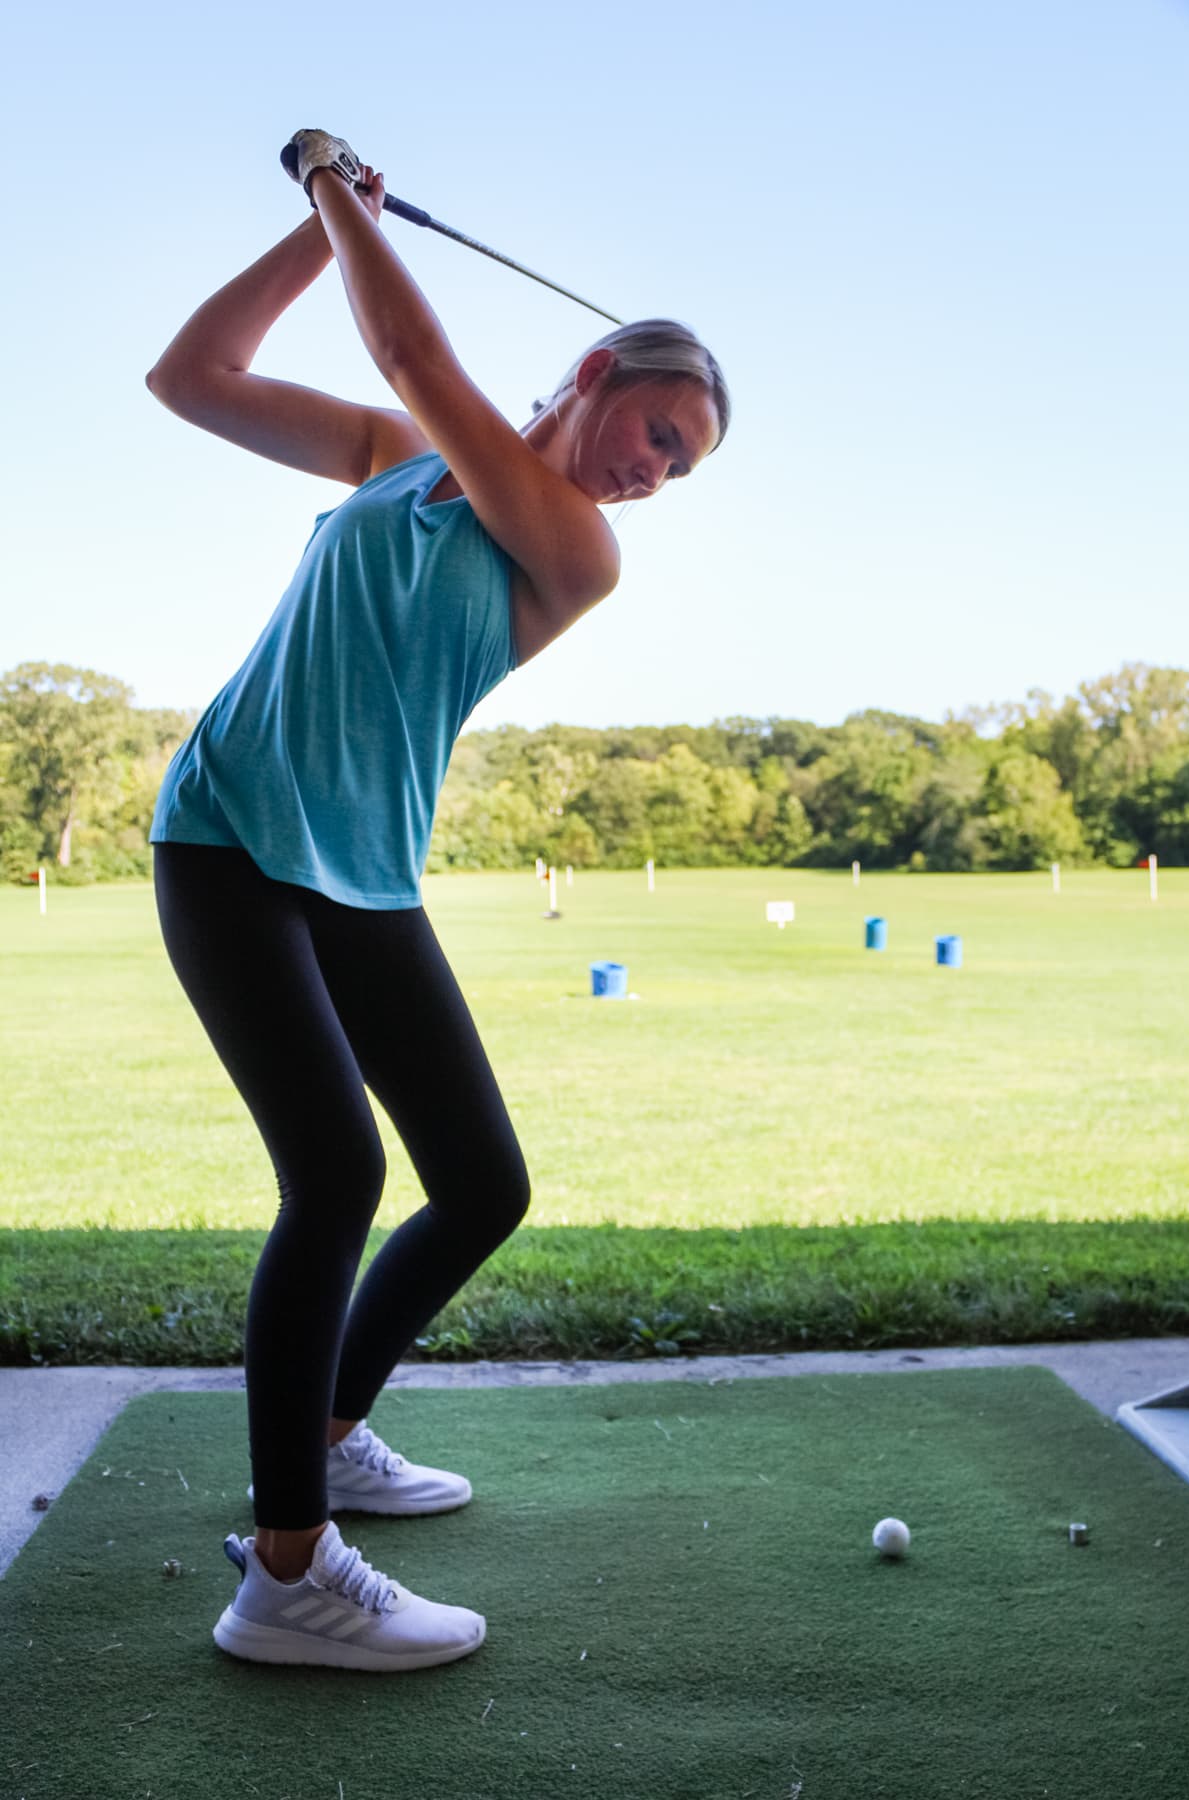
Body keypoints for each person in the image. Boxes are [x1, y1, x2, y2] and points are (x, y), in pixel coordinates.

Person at [146, 129, 730, 1674]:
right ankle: (287, 1574)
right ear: (597, 366)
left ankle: (327, 1437)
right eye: (658, 431)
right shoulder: (402, 457)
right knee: (335, 1172)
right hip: (227, 840)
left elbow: (410, 335)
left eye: (680, 467)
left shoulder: (572, 551)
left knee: (479, 1182)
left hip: (362, 874)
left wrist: (338, 191)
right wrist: (319, 227)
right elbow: (190, 379)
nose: (653, 474)